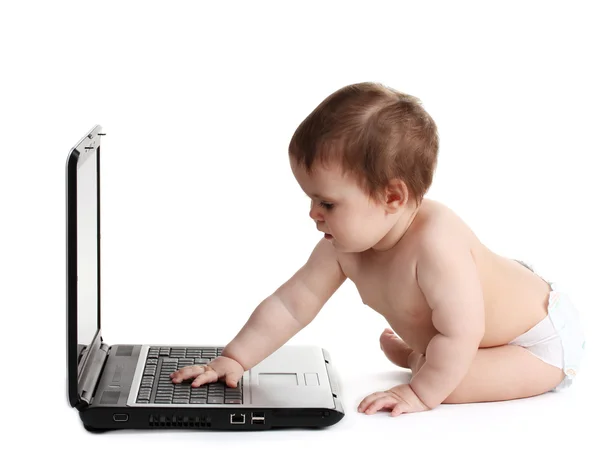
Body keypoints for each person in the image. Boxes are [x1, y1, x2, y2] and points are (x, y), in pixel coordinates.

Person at [170, 82, 585, 416]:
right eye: (310, 199)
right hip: (467, 329)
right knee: (443, 354)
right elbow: (290, 305)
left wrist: (420, 394)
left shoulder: (437, 240)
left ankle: (420, 359)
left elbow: (463, 331)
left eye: (327, 203)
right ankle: (423, 353)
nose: (314, 214)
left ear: (392, 197)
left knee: (449, 382)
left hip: (535, 338)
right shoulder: (342, 246)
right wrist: (235, 360)